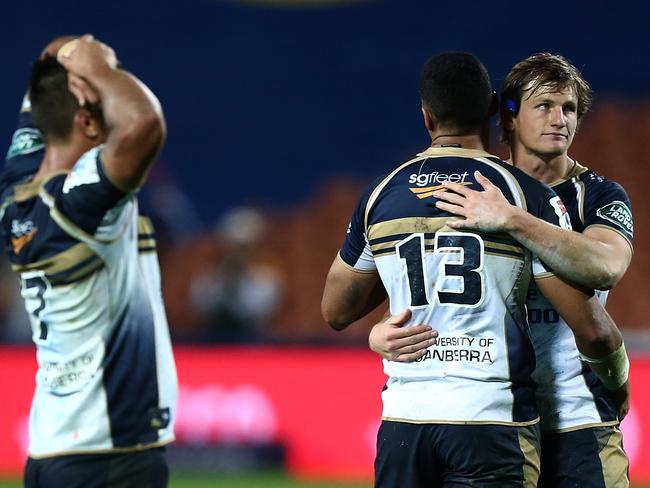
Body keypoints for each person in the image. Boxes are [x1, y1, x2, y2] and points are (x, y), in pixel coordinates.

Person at [321, 52, 625, 487]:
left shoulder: (382, 194)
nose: (559, 119)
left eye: (569, 109)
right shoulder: (524, 195)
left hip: (406, 420)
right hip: (491, 415)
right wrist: (617, 379)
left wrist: (376, 329)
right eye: (545, 106)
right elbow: (594, 328)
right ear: (495, 109)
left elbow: (334, 311)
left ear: (427, 116)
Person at [0, 36, 177, 487]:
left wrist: (75, 56)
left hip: (51, 449)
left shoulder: (17, 188)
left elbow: (49, 57)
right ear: (86, 120)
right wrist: (99, 68)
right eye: (104, 110)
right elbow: (143, 125)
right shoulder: (81, 206)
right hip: (109, 455)